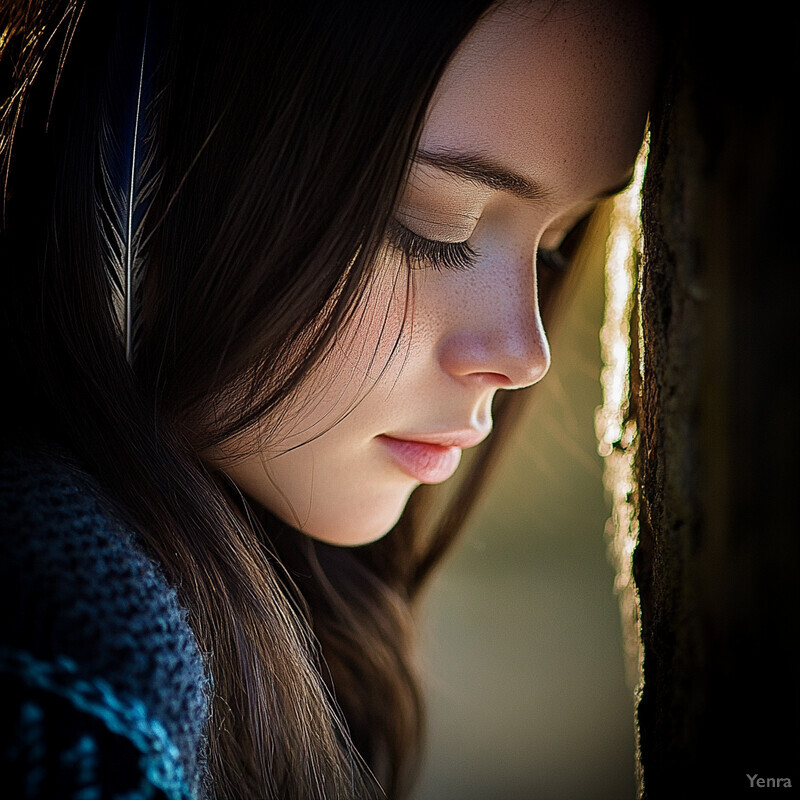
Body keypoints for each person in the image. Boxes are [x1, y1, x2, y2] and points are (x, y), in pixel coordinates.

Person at [0, 0, 657, 797]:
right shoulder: (63, 659)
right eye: (435, 226)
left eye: (554, 247)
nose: (526, 356)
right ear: (147, 160)